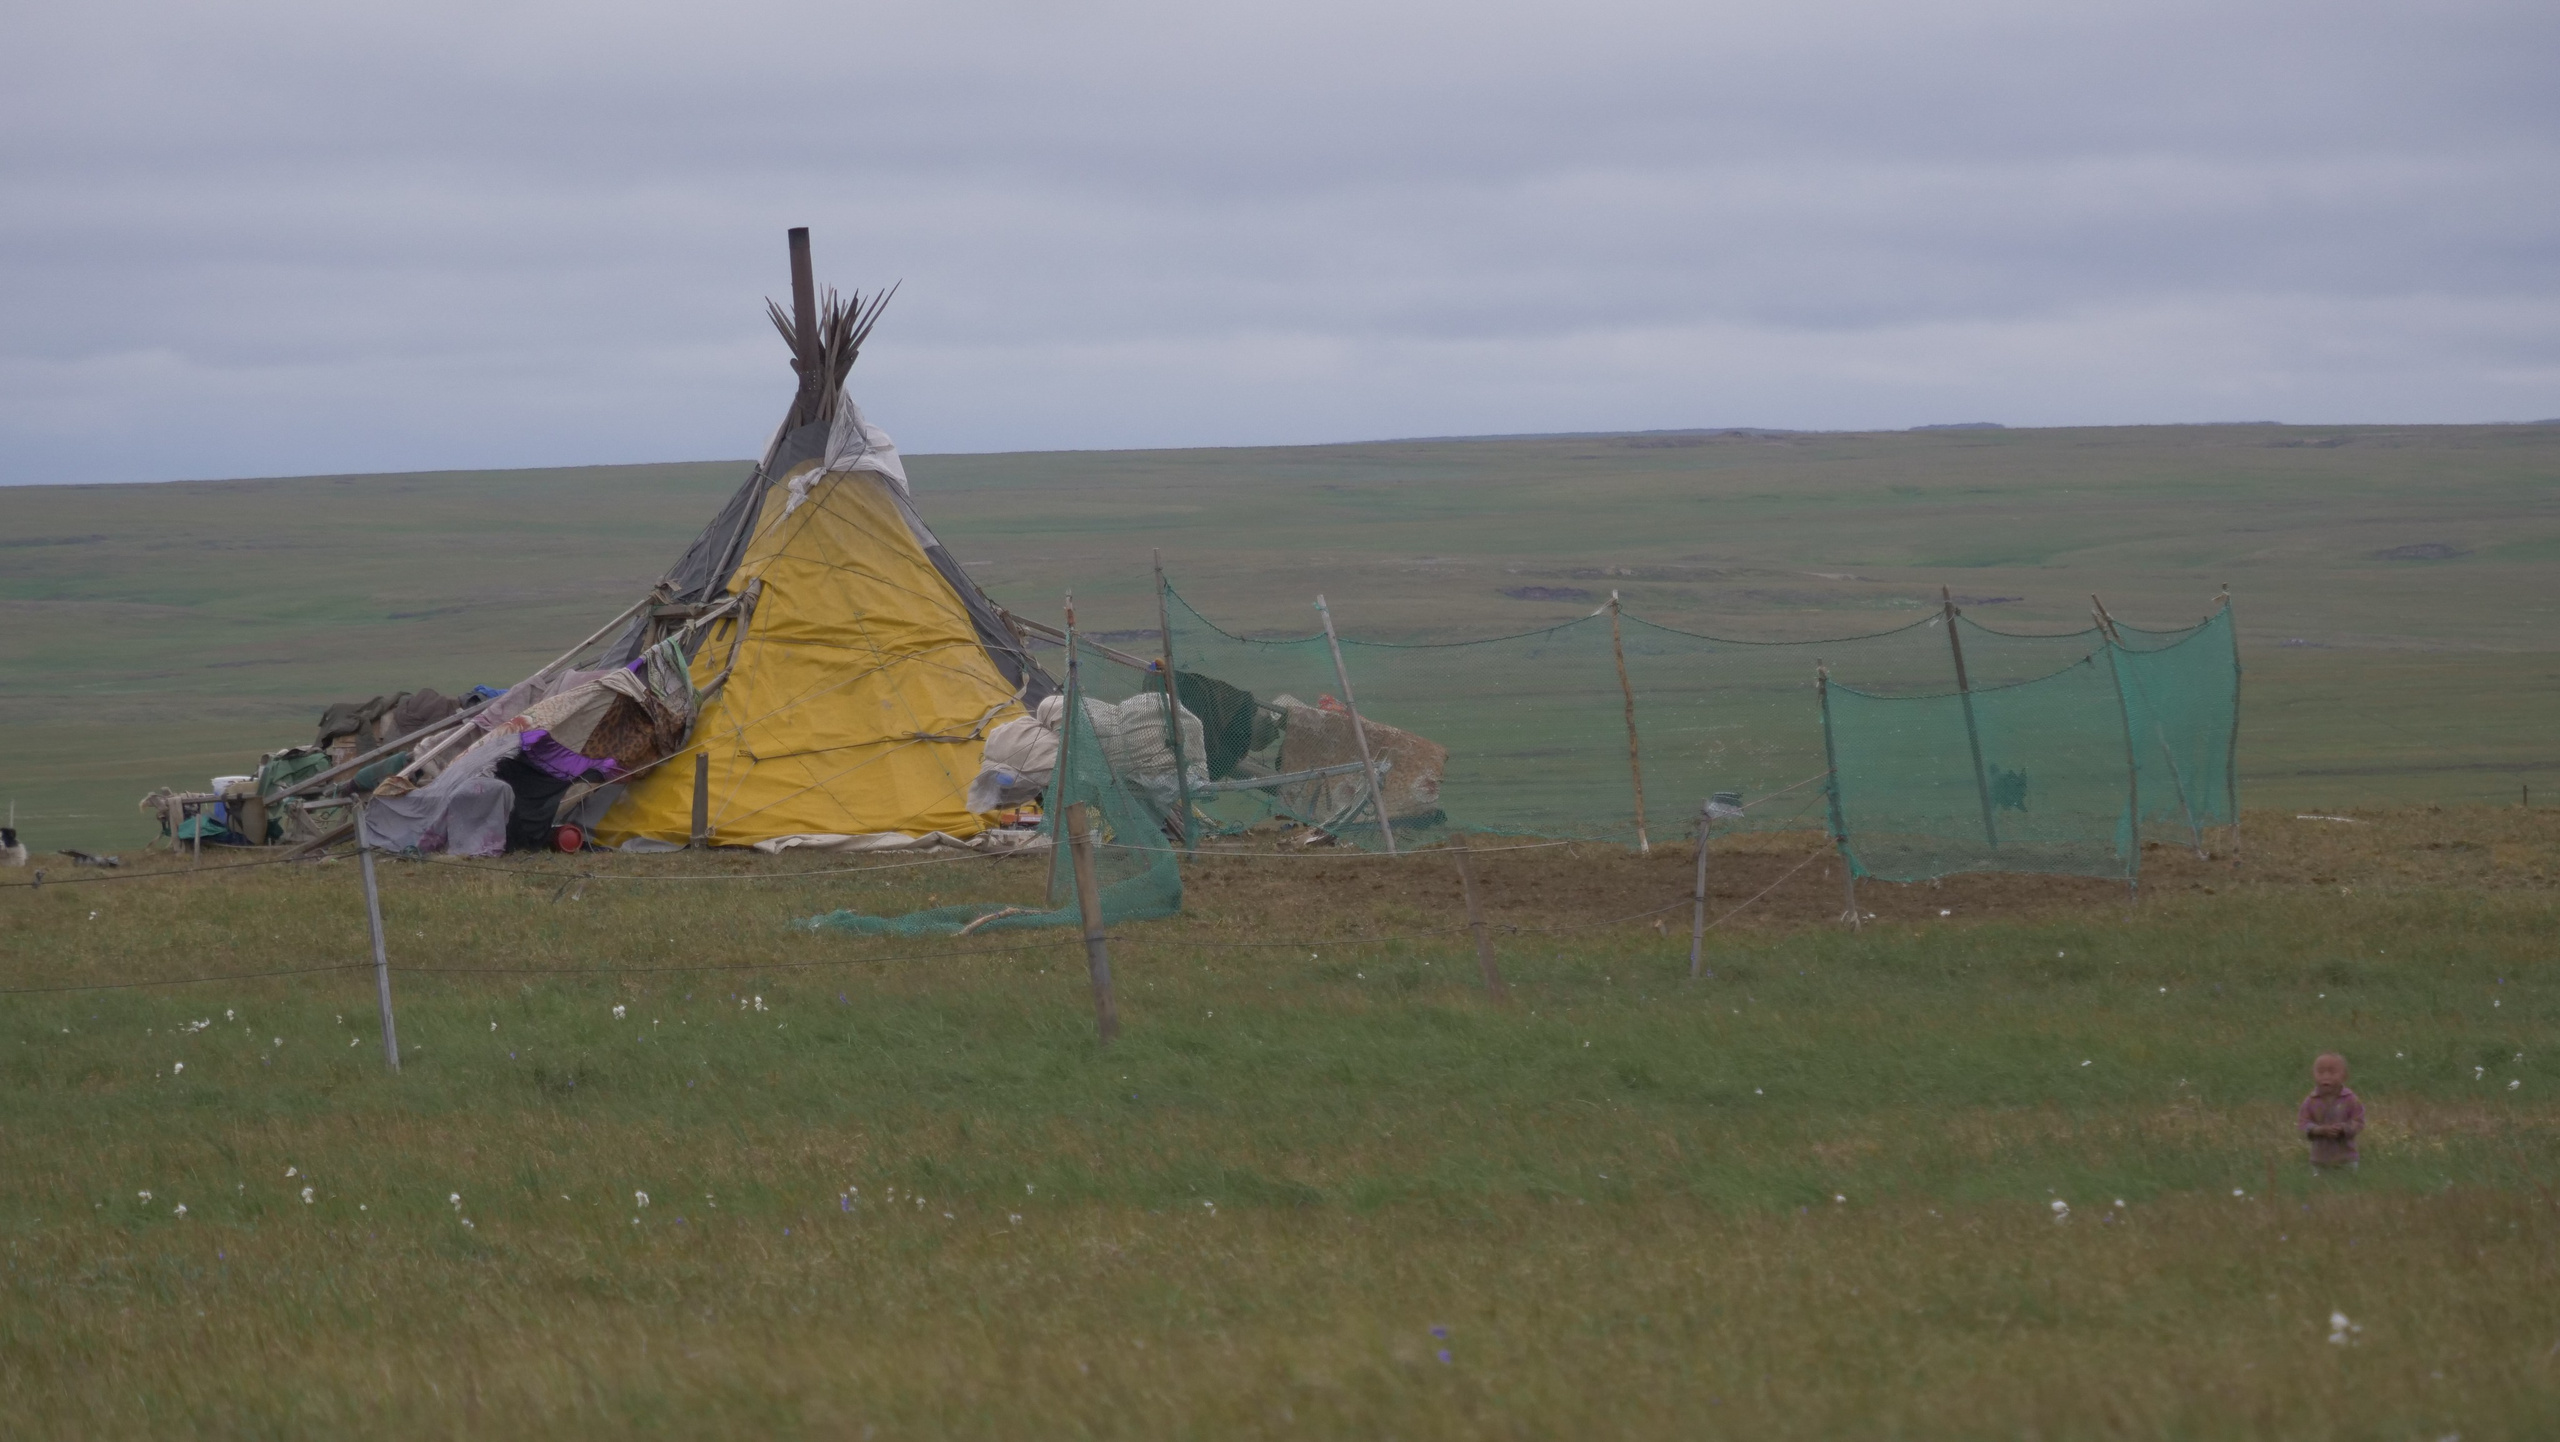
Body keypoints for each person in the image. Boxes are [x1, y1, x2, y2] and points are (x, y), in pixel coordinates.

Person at [2298, 1053, 2365, 1171]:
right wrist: (2318, 1130)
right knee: (2320, 1188)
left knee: (2350, 1187)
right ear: (2313, 1074)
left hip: (2347, 1159)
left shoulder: (2350, 1099)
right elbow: (2303, 1124)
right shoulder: (2311, 1101)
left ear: (2344, 1076)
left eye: (2332, 1072)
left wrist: (2343, 1128)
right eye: (2320, 1072)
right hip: (2319, 1160)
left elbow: (2359, 1121)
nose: (2326, 1076)